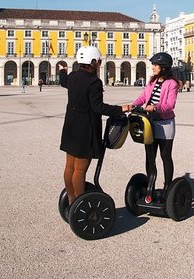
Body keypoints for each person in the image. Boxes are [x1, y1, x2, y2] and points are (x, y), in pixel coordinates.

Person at [59, 46, 131, 208]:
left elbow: (63, 81)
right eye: (98, 62)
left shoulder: (73, 77)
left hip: (70, 128)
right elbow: (98, 107)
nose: (99, 64)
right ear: (92, 62)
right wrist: (121, 109)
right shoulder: (94, 82)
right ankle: (80, 204)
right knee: (80, 170)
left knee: (70, 166)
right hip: (85, 130)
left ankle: (71, 200)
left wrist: (62, 70)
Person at [131, 52, 180, 192]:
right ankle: (150, 186)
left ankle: (168, 187)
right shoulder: (152, 81)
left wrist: (156, 107)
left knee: (165, 156)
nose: (153, 67)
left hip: (165, 124)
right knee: (150, 156)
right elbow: (143, 96)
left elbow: (170, 105)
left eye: (155, 65)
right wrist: (134, 105)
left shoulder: (172, 84)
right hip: (150, 123)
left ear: (163, 67)